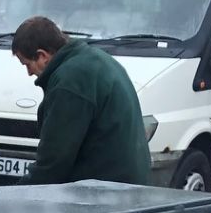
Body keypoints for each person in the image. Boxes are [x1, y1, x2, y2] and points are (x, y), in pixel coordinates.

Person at [12, 15, 151, 187]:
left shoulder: (70, 82)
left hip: (104, 191)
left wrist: (18, 197)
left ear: (42, 56)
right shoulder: (94, 59)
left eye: (27, 64)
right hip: (127, 184)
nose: (29, 73)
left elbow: (53, 162)